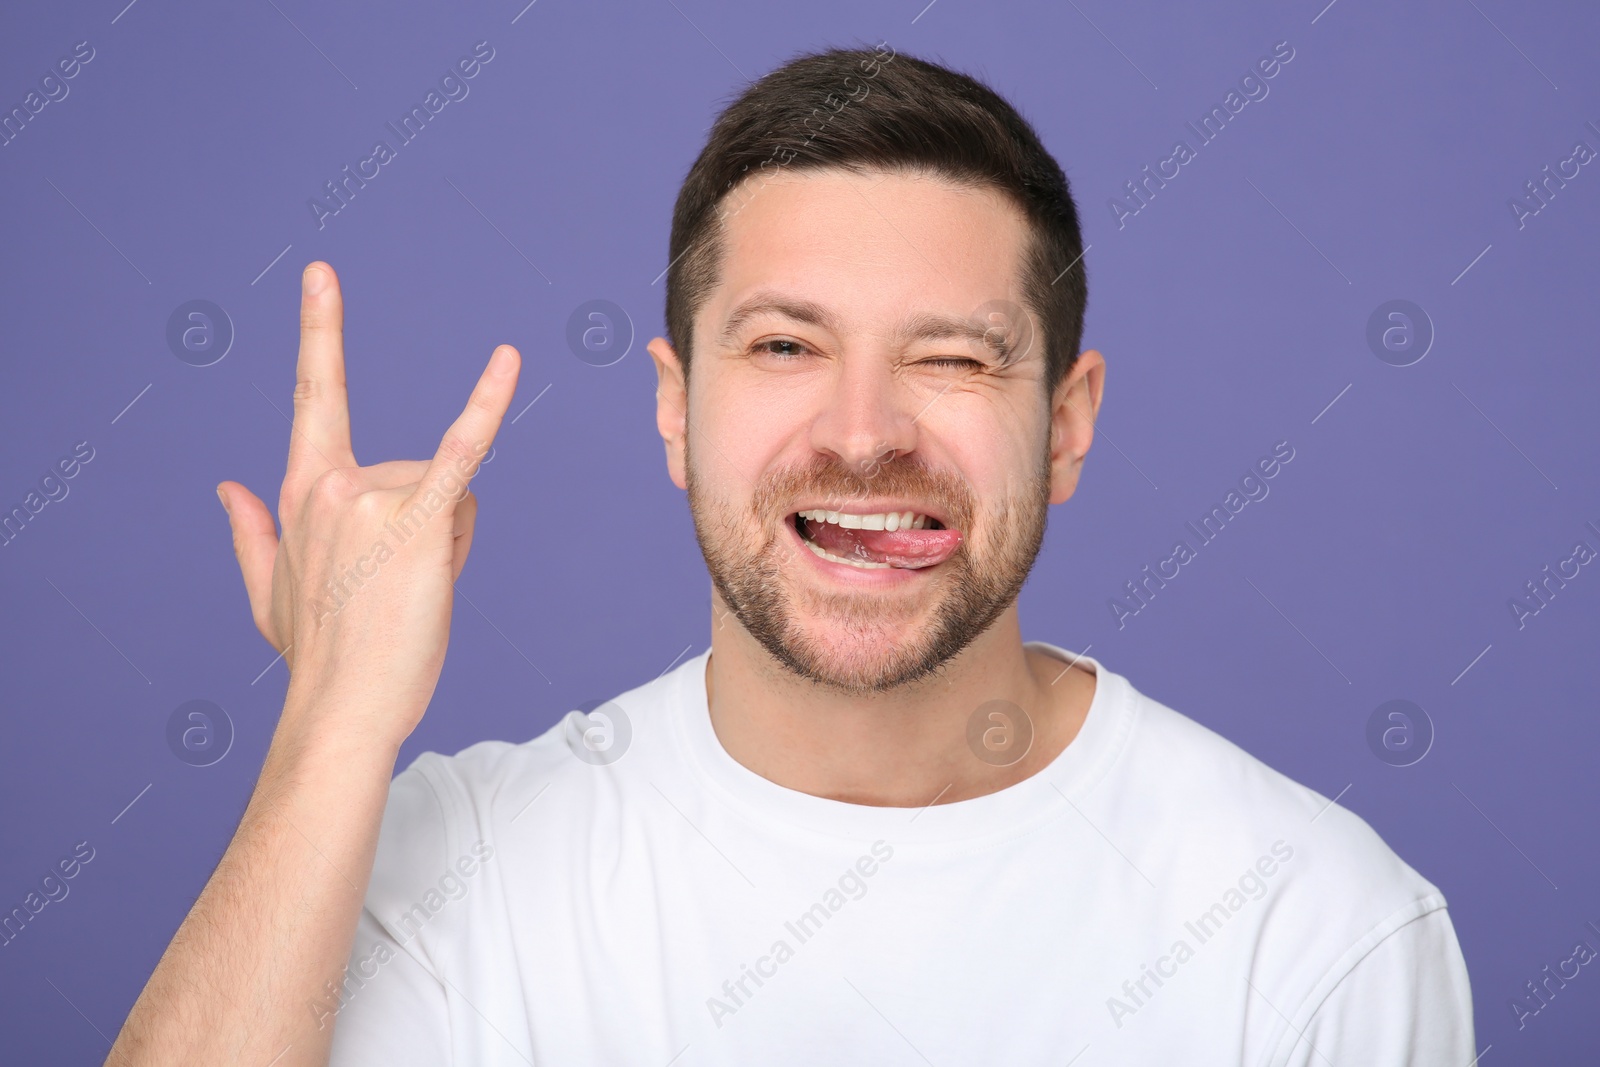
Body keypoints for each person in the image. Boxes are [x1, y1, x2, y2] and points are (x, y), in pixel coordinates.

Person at [109, 45, 1474, 1066]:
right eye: (784, 347)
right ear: (673, 411)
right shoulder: (436, 871)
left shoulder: (1314, 930)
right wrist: (332, 722)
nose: (865, 434)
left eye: (951, 358)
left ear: (1065, 426)